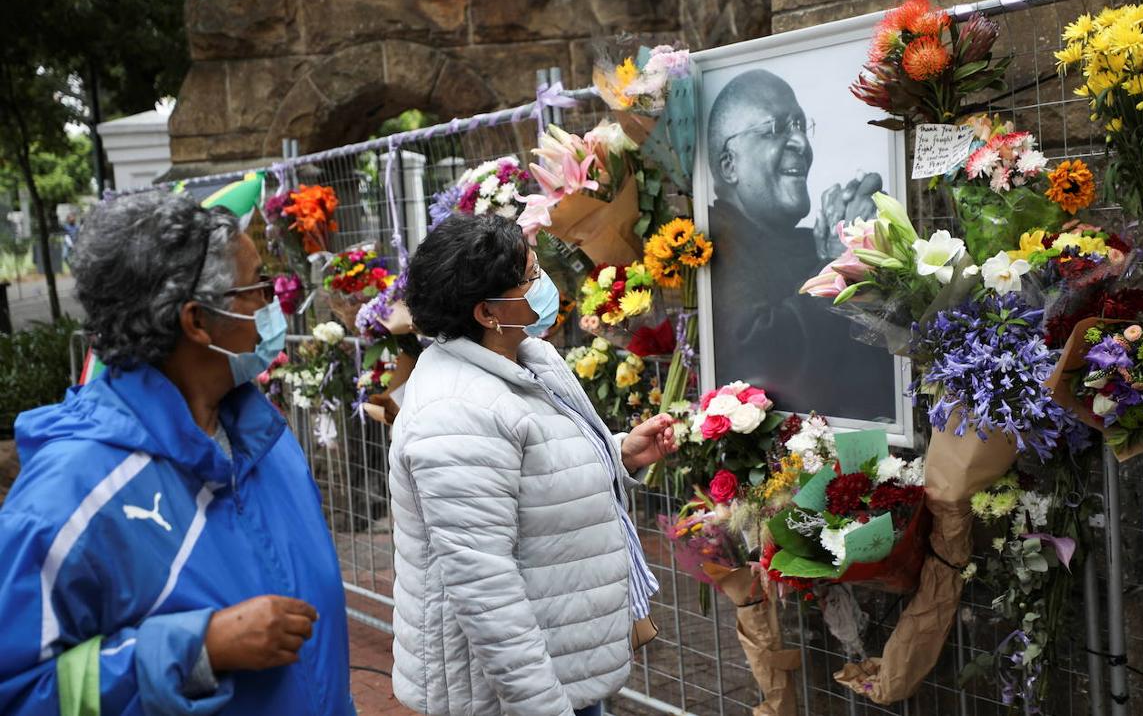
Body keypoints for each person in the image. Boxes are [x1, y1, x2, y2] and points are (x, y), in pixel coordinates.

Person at [0, 191, 355, 714]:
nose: (272, 300)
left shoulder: (262, 435)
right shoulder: (68, 495)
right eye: (256, 286)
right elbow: (17, 690)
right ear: (196, 321)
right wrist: (198, 648)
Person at [389, 214, 678, 716]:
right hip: (510, 693)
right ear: (486, 311)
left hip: (560, 660)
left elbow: (535, 470)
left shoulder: (529, 357)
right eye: (529, 277)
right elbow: (485, 589)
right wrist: (543, 706)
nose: (543, 282)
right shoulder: (455, 414)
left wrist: (620, 451)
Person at [706, 69, 894, 420]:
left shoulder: (809, 242)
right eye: (777, 128)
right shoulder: (711, 243)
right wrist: (835, 268)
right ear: (729, 165)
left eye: (800, 126)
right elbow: (761, 356)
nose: (801, 144)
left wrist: (872, 250)